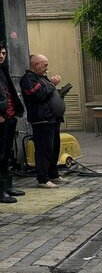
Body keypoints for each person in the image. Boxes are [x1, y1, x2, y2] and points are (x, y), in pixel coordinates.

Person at [20, 54, 67, 189]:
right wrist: (52, 84)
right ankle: (43, 178)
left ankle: (53, 174)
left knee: (54, 148)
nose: (47, 67)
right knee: (43, 149)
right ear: (37, 65)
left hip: (52, 118)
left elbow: (48, 93)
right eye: (45, 65)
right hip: (42, 120)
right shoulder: (28, 79)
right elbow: (38, 95)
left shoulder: (41, 78)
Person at [0, 42, 25, 203]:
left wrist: (15, 112)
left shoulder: (3, 70)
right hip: (2, 118)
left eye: (3, 53)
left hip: (9, 117)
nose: (1, 56)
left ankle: (7, 186)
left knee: (7, 154)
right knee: (0, 154)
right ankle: (1, 190)